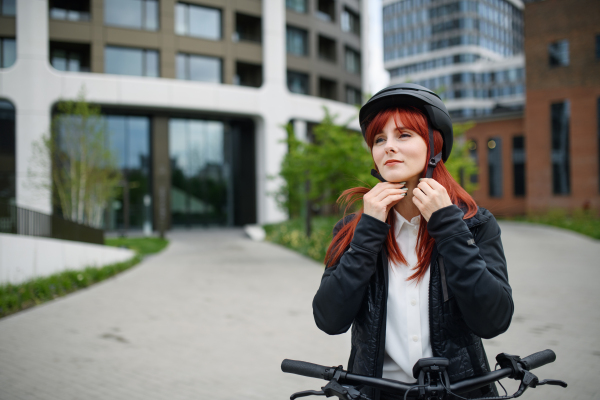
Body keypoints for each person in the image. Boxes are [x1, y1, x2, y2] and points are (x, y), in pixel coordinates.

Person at [312, 84, 514, 400]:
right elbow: (329, 319)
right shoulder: (353, 228)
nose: (388, 147)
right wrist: (368, 231)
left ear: (434, 145)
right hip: (377, 393)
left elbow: (493, 320)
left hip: (458, 393)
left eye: (404, 135)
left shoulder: (475, 224)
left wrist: (448, 226)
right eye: (380, 139)